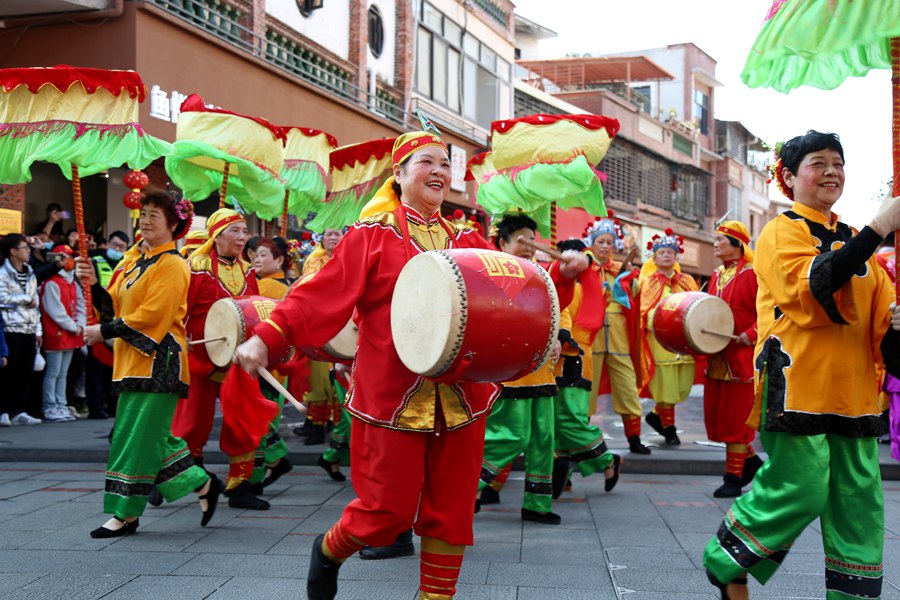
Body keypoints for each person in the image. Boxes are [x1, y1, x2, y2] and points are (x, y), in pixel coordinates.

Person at [232, 130, 589, 600]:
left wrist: (560, 279)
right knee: (387, 510)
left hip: (461, 393)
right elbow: (321, 294)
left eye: (445, 163)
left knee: (453, 508)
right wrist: (267, 337)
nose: (439, 170)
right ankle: (329, 550)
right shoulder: (372, 235)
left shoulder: (468, 239)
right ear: (399, 175)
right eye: (426, 162)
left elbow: (509, 292)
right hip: (393, 394)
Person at [703, 131, 900, 600]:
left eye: (838, 162)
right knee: (804, 487)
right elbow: (814, 286)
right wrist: (880, 228)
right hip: (797, 384)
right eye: (818, 163)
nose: (832, 170)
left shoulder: (862, 246)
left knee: (860, 505)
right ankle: (725, 559)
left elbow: (881, 337)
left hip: (854, 394)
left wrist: (896, 325)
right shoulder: (781, 231)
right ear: (788, 177)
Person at [81, 189, 221, 539]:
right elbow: (115, 305)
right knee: (145, 437)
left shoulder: (173, 264)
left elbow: (153, 316)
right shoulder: (133, 263)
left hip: (160, 362)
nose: (144, 220)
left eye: (153, 215)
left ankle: (125, 515)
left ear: (174, 224)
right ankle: (203, 485)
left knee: (137, 439)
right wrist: (94, 283)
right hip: (131, 361)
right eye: (142, 214)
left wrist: (104, 330)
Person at [170, 208, 267, 510]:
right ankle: (181, 478)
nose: (242, 238)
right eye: (235, 231)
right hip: (199, 355)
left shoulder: (247, 269)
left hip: (236, 358)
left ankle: (239, 486)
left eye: (244, 231)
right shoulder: (196, 266)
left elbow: (255, 307)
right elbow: (179, 308)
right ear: (217, 235)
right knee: (190, 425)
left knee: (242, 421)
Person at [475, 213, 563, 525]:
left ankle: (537, 504)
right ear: (503, 243)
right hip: (512, 370)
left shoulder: (541, 273)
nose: (528, 246)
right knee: (511, 435)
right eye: (521, 240)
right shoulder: (492, 275)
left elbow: (553, 312)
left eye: (531, 240)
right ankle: (469, 487)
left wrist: (556, 338)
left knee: (543, 439)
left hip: (542, 369)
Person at [552, 238, 623, 499]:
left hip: (574, 360)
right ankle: (564, 476)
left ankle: (607, 461)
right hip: (559, 359)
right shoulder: (568, 284)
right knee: (559, 420)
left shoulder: (578, 287)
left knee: (569, 420)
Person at [702, 220, 763, 498]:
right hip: (718, 355)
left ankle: (734, 478)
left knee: (737, 420)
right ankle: (750, 463)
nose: (715, 244)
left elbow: (769, 312)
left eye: (721, 240)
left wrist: (750, 335)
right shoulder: (715, 275)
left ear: (738, 244)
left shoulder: (752, 275)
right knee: (719, 417)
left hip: (741, 357)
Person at [584, 215, 654, 455]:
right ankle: (582, 438)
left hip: (618, 337)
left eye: (609, 242)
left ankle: (634, 438)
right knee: (587, 389)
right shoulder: (583, 269)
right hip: (590, 339)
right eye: (600, 241)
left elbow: (634, 298)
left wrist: (630, 281)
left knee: (627, 387)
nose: (605, 246)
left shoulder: (619, 270)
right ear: (591, 243)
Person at [639, 229, 699, 446]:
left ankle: (656, 416)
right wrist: (664, 317)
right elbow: (644, 312)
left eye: (670, 252)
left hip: (684, 342)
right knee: (666, 386)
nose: (666, 255)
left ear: (676, 257)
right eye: (662, 252)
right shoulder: (648, 283)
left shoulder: (687, 280)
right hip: (661, 341)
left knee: (681, 385)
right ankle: (669, 428)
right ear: (654, 258)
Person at [247, 237, 293, 496]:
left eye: (263, 255)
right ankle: (271, 462)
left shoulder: (265, 287)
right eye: (254, 254)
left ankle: (262, 470)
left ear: (279, 261)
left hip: (264, 360)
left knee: (258, 418)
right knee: (265, 417)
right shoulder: (289, 285)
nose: (256, 258)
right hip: (280, 361)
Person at [296, 228, 346, 446]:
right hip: (318, 324)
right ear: (321, 239)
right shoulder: (314, 260)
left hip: (343, 324)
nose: (333, 238)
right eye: (329, 235)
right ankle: (317, 425)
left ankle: (335, 425)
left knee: (337, 378)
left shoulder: (348, 257)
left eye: (337, 234)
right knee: (318, 378)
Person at [39, 244, 86, 423]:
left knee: (63, 373)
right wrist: (74, 326)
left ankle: (62, 403)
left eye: (70, 257)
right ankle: (50, 406)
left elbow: (81, 305)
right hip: (56, 333)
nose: (69, 261)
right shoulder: (51, 283)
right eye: (65, 257)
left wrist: (80, 325)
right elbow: (55, 311)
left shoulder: (73, 283)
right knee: (53, 372)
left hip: (71, 334)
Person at [0, 234, 43, 426]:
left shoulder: (31, 272)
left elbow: (37, 303)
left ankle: (19, 410)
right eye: (25, 247)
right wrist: (25, 300)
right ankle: (3, 411)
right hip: (9, 329)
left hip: (29, 329)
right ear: (13, 251)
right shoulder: (2, 273)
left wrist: (38, 330)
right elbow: (2, 299)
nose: (28, 251)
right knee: (7, 373)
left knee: (24, 373)